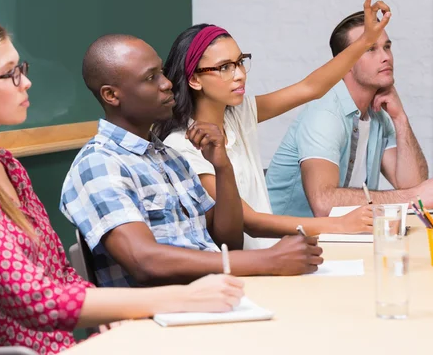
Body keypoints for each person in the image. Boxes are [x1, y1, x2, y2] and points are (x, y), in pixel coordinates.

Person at [0, 18, 244, 354]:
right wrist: (179, 298)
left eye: (21, 68)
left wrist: (116, 309)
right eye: (10, 73)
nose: (25, 82)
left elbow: (59, 274)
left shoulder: (7, 167)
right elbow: (36, 300)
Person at [60, 34, 323, 288]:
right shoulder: (99, 164)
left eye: (162, 72)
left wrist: (222, 166)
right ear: (111, 95)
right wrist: (268, 259)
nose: (167, 83)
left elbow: (228, 242)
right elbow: (144, 261)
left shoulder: (169, 157)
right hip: (160, 316)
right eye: (151, 78)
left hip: (216, 297)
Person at [154, 0, 388, 243]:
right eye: (225, 67)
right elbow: (250, 221)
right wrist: (338, 225)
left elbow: (311, 88)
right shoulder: (182, 145)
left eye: (240, 62)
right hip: (243, 271)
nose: (240, 74)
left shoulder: (237, 115)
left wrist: (366, 42)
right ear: (194, 79)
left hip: (271, 257)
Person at [265, 9, 433, 218]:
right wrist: (411, 197)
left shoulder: (378, 116)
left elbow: (412, 185)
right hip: (285, 242)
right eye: (371, 49)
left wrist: (400, 118)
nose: (386, 57)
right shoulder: (326, 114)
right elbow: (324, 204)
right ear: (346, 62)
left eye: (387, 47)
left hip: (340, 239)